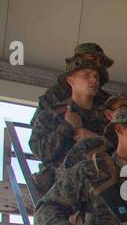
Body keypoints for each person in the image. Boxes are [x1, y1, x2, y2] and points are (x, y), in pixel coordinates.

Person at [29, 54, 107, 193]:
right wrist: (67, 127)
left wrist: (96, 139)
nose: (94, 80)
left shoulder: (108, 117)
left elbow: (122, 151)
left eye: (96, 76)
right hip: (60, 187)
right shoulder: (51, 115)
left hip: (98, 186)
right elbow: (40, 152)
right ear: (71, 80)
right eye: (86, 75)